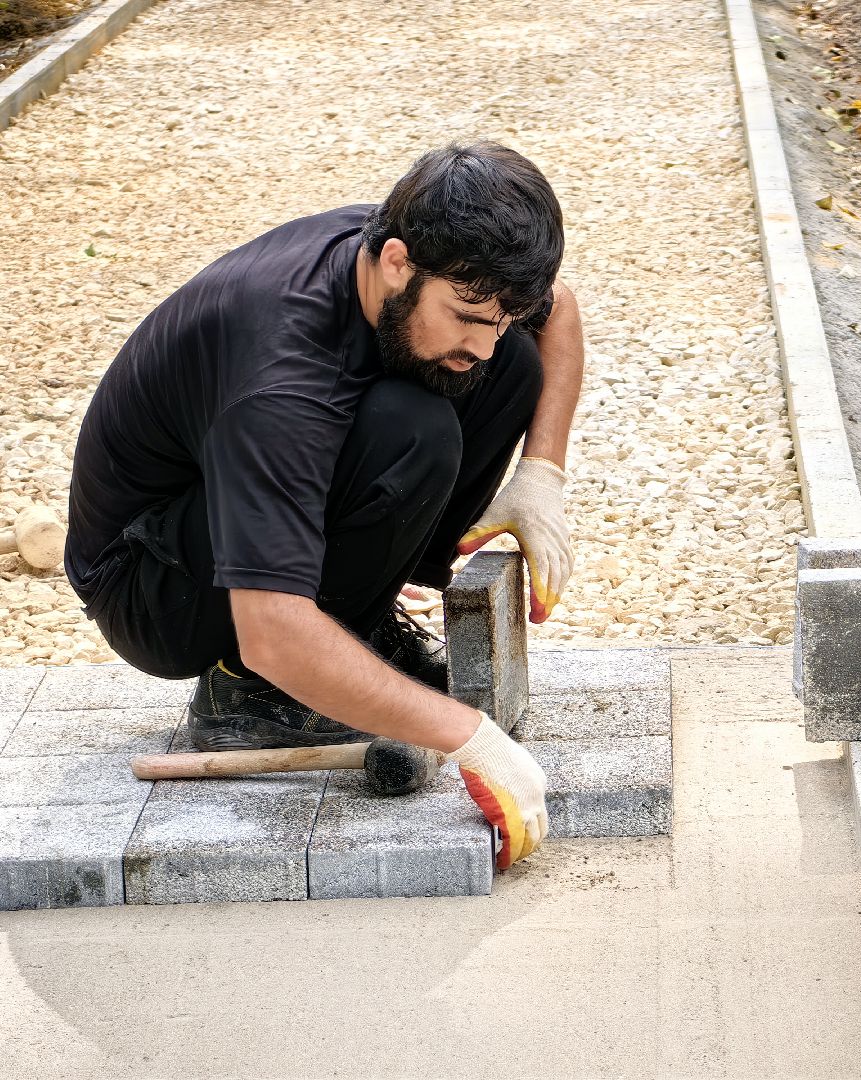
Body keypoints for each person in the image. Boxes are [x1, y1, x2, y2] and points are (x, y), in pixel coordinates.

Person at [65, 142, 580, 869]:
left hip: (220, 508)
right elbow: (272, 631)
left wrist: (541, 475)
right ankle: (247, 694)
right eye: (468, 315)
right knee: (414, 432)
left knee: (510, 367)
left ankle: (352, 625)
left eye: (497, 318)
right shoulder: (282, 378)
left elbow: (559, 310)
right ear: (397, 262)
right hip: (151, 583)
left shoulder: (422, 252)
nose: (484, 342)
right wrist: (469, 737)